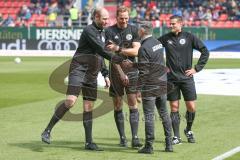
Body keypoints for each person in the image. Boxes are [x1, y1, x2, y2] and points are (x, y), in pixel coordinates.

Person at [41, 7, 127, 151]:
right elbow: (102, 50)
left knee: (88, 107)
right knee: (70, 101)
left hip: (92, 73)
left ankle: (89, 143)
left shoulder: (103, 32)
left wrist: (105, 74)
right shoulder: (89, 30)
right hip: (78, 69)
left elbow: (100, 55)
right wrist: (120, 60)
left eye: (107, 18)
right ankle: (47, 130)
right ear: (96, 18)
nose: (107, 21)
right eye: (104, 18)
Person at [158, 15, 209, 144]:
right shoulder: (165, 38)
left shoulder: (189, 37)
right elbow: (153, 49)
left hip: (187, 78)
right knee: (174, 107)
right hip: (171, 79)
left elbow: (205, 51)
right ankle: (176, 136)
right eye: (170, 24)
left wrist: (196, 68)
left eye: (173, 24)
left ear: (181, 24)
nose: (171, 26)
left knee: (191, 106)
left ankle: (188, 129)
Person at [105, 6, 142, 148]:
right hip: (115, 71)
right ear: (116, 17)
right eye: (122, 18)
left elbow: (136, 52)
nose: (124, 21)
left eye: (127, 18)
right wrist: (120, 72)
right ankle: (122, 138)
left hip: (132, 71)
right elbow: (111, 55)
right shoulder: (109, 31)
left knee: (133, 103)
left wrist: (120, 49)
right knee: (118, 104)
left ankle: (135, 137)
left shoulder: (134, 30)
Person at [136, 21, 173, 154]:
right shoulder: (157, 43)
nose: (137, 30)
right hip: (162, 82)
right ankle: (169, 144)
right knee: (164, 114)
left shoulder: (143, 48)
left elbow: (144, 72)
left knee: (149, 116)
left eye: (138, 28)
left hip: (150, 86)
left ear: (143, 30)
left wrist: (138, 89)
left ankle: (149, 146)